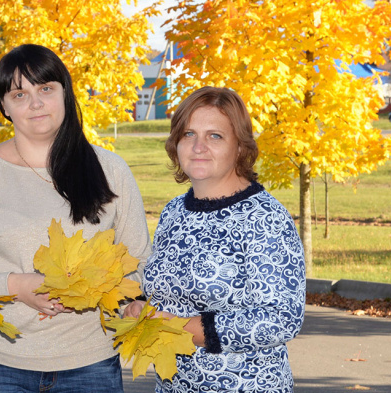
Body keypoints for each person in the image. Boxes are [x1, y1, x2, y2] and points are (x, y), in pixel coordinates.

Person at [0, 43, 151, 392]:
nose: (35, 103)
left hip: (90, 364)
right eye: (19, 94)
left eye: (46, 89)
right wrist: (17, 287)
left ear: (65, 92)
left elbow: (137, 261)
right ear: (4, 106)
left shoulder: (111, 170)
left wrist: (93, 292)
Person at [125, 86, 306, 392]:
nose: (198, 146)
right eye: (189, 134)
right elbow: (167, 291)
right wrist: (140, 306)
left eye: (215, 136)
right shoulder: (174, 211)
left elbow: (281, 319)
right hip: (173, 386)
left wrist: (181, 327)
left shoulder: (264, 218)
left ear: (239, 147)